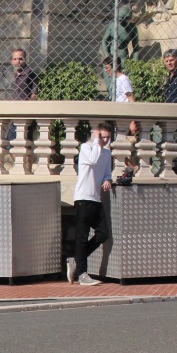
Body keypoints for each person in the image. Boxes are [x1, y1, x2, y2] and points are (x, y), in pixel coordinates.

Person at [69, 121, 114, 286]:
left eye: (108, 138)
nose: (105, 141)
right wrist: (96, 141)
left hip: (96, 198)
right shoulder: (86, 148)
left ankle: (76, 261)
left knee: (103, 233)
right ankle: (82, 274)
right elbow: (94, 160)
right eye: (103, 137)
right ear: (96, 134)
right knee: (82, 237)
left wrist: (108, 179)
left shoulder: (107, 153)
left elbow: (106, 172)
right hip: (83, 197)